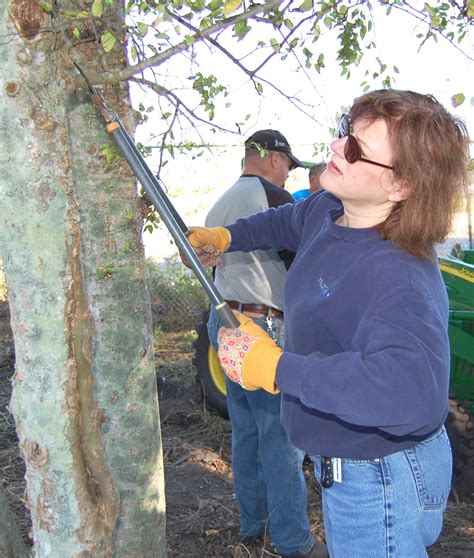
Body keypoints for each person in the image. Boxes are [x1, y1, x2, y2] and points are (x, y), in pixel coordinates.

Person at [188, 90, 470, 557]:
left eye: (358, 149)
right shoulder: (328, 211)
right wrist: (226, 237)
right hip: (362, 462)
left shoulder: (399, 276)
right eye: (345, 134)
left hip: (379, 474)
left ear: (401, 185)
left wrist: (277, 368)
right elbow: (283, 221)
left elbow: (408, 393)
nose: (337, 148)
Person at [204, 129, 327, 557]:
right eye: (287, 164)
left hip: (222, 318)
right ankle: (294, 541)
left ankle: (252, 526)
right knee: (281, 435)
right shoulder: (276, 198)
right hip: (262, 324)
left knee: (247, 432)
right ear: (273, 158)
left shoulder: (220, 202)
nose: (286, 173)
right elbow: (309, 261)